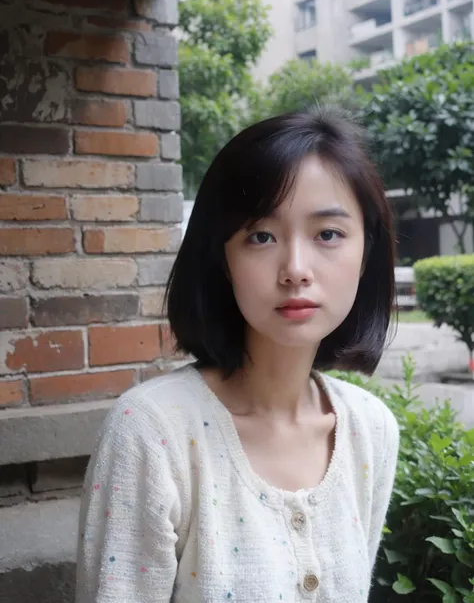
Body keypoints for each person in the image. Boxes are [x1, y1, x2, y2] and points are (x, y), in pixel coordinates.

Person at [76, 108, 399, 603]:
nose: (295, 269)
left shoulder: (369, 429)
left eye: (328, 234)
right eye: (261, 236)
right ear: (223, 261)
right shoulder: (153, 431)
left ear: (366, 253)